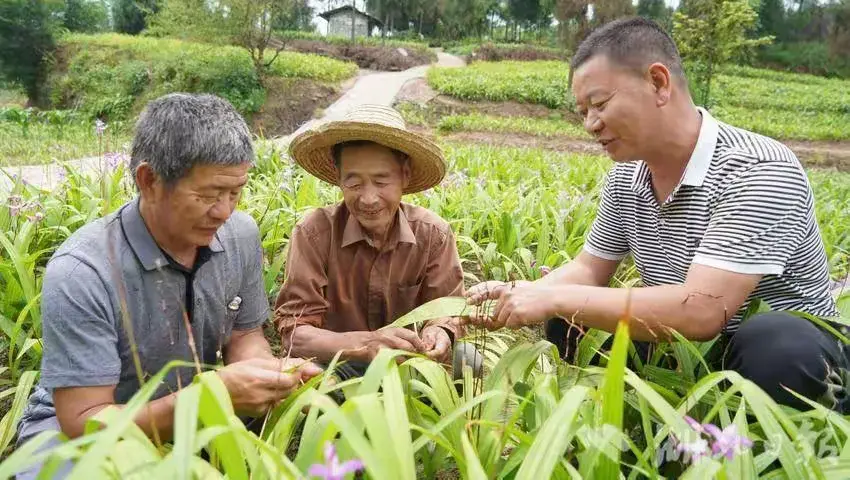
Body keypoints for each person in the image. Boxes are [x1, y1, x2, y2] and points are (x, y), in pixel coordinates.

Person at [465, 17, 846, 413]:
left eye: (599, 104)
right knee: (571, 317)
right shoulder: (626, 176)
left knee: (775, 342)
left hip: (791, 360)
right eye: (582, 111)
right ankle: (636, 430)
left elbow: (703, 309)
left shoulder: (758, 169)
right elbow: (588, 270)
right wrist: (519, 294)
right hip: (687, 353)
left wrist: (555, 296)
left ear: (659, 83)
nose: (590, 124)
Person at [15, 93, 321, 478]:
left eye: (235, 192)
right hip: (90, 433)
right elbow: (85, 422)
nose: (224, 211)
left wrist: (266, 372)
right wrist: (209, 399)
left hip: (192, 410)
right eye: (208, 195)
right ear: (149, 181)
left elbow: (244, 336)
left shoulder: (240, 235)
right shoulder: (83, 271)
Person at [274, 104, 482, 381]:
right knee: (297, 376)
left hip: (411, 362)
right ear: (338, 177)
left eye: (381, 182)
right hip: (340, 362)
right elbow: (295, 335)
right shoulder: (314, 234)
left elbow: (448, 309)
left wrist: (440, 330)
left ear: (404, 176)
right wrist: (365, 344)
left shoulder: (433, 235)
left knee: (468, 360)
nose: (369, 199)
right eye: (355, 183)